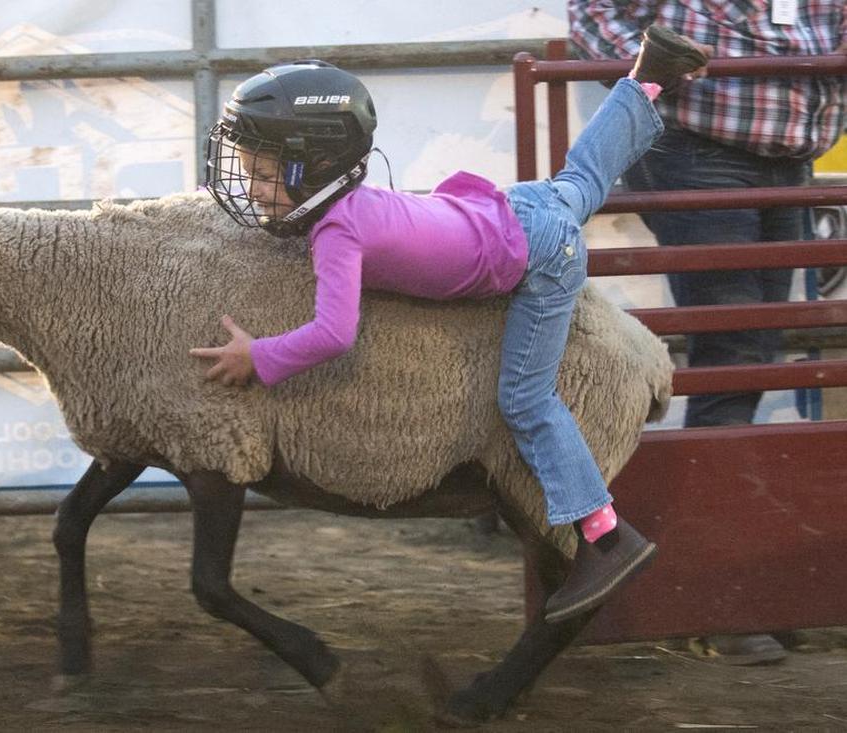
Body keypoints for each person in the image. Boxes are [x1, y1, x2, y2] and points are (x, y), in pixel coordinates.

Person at [191, 28, 709, 623]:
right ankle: (649, 77)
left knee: (525, 401)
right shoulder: (349, 203)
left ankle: (607, 539)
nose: (251, 192)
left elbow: (334, 333)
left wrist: (259, 356)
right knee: (583, 177)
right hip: (518, 206)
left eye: (262, 176)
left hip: (540, 254)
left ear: (311, 168)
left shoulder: (337, 232)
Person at [570, 0, 846, 664]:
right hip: (700, 149)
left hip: (786, 158)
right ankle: (708, 592)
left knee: (751, 351)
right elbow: (593, 15)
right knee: (736, 350)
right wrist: (658, 80)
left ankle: (726, 581)